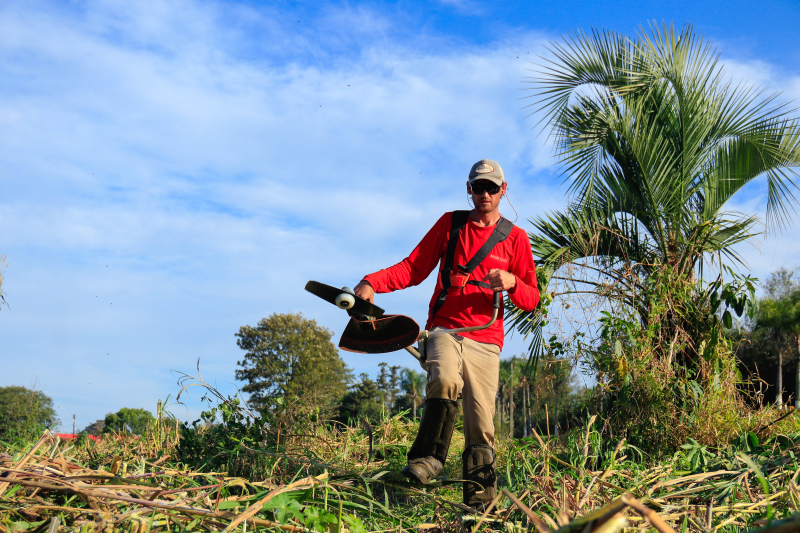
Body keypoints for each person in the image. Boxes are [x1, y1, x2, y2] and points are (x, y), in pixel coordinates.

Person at [354, 159, 539, 508]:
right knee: (443, 378)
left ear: (503, 190)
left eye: (491, 187)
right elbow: (413, 267)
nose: (484, 193)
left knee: (482, 427)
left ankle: (479, 510)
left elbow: (532, 299)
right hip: (445, 329)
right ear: (468, 189)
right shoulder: (450, 225)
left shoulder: (516, 239)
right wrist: (371, 282)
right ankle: (428, 459)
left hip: (486, 339)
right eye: (478, 187)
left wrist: (514, 282)